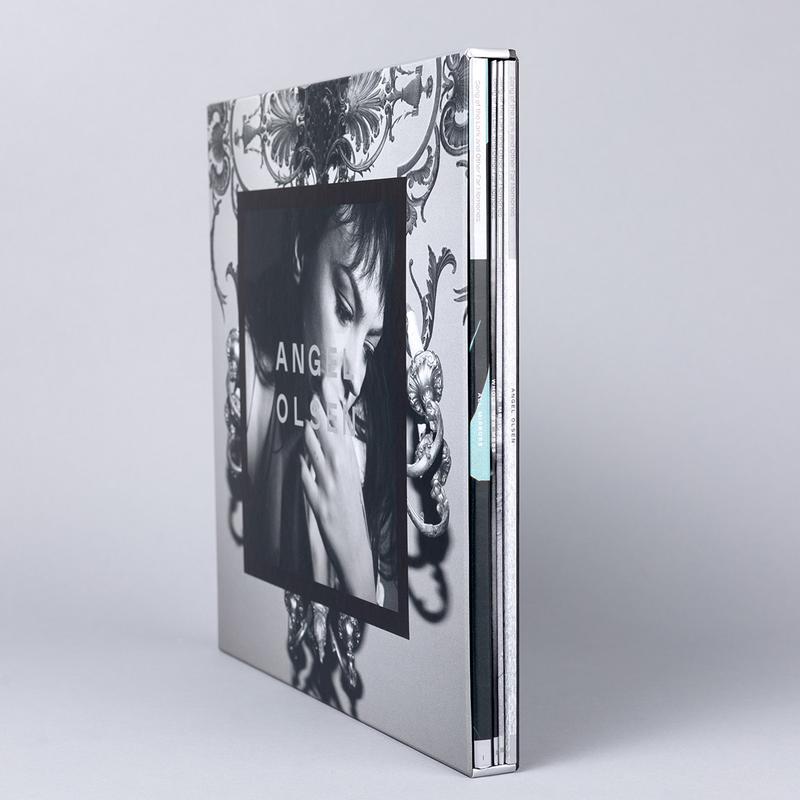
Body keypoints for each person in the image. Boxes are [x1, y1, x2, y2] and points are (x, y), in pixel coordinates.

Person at [241, 201, 399, 610]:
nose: (354, 375)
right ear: (301, 253)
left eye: (370, 346)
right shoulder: (246, 372)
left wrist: (358, 565)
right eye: (344, 311)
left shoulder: (371, 441)